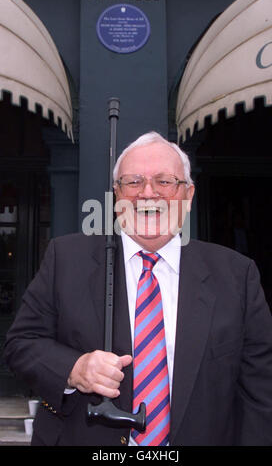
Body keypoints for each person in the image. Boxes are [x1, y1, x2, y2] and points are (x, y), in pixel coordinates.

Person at [4, 132, 272, 446]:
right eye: (133, 182)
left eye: (165, 181)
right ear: (117, 196)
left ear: (187, 196)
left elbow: (260, 391)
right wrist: (74, 369)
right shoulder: (66, 259)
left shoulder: (237, 275)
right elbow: (21, 344)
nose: (148, 193)